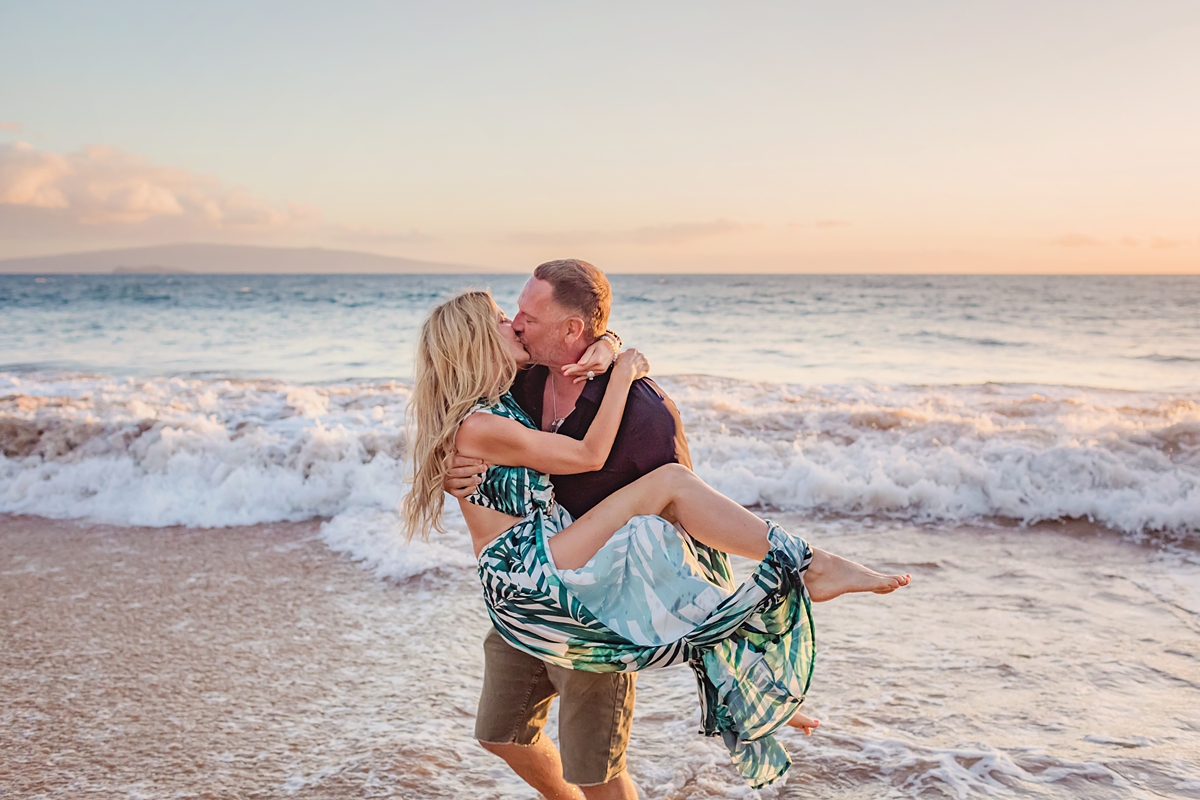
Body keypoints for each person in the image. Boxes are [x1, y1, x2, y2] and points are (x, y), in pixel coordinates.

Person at [408, 265, 910, 790]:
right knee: (669, 484)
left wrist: (610, 349)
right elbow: (586, 454)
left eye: (523, 317)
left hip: (534, 565)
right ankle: (807, 567)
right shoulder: (487, 418)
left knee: (660, 568)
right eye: (503, 319)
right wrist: (623, 371)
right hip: (526, 571)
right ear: (473, 345)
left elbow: (579, 345)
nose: (514, 323)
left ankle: (759, 686)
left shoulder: (498, 397)